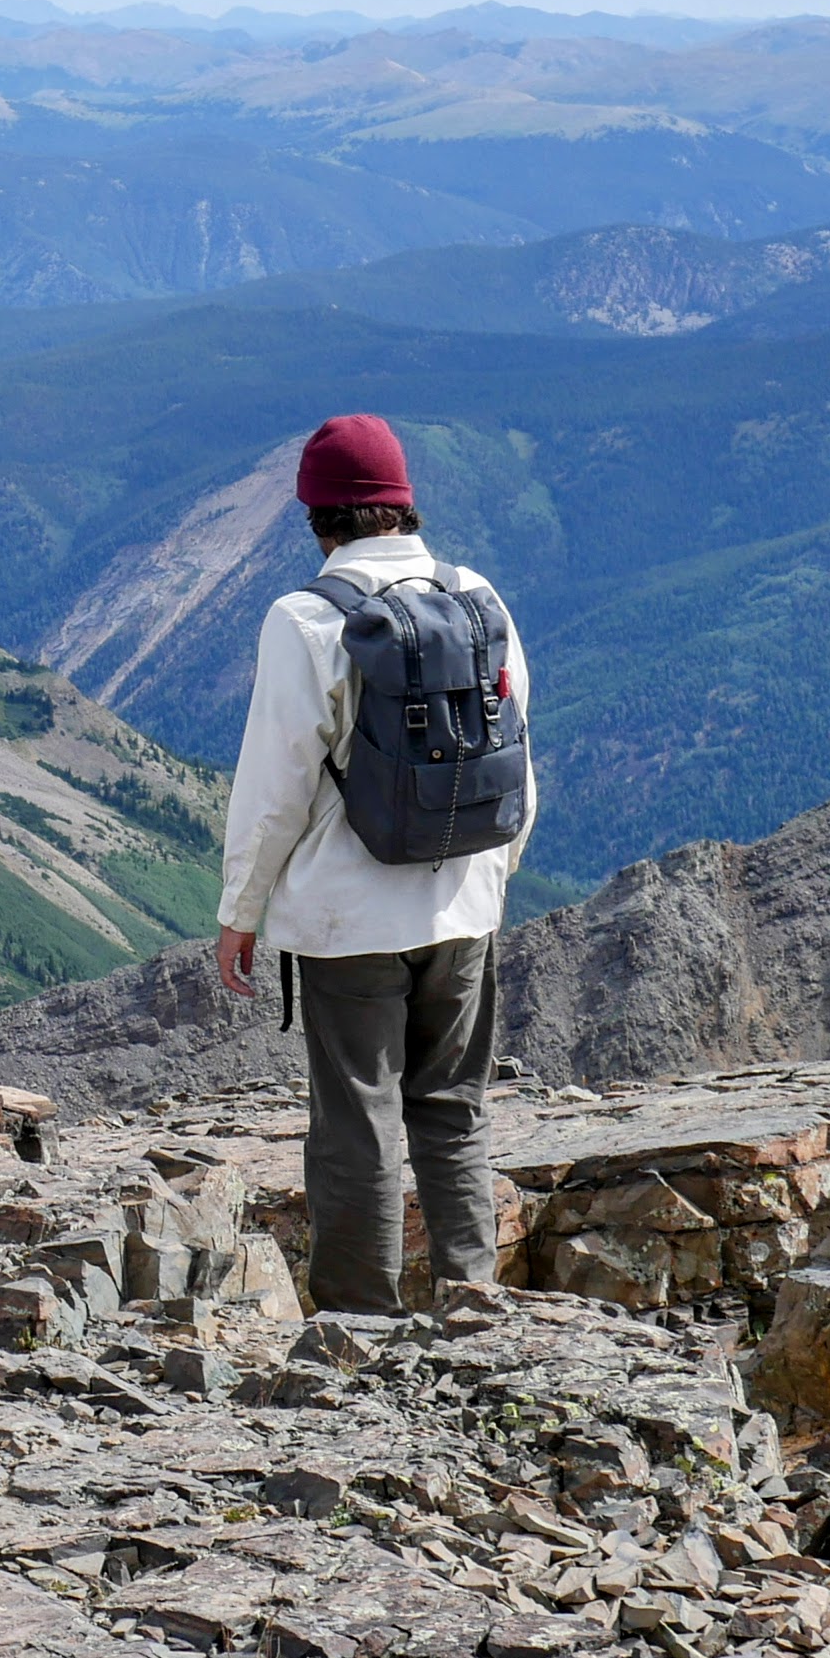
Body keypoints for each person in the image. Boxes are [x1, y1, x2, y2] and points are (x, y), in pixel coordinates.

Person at [211, 413, 535, 1317]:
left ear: (319, 519)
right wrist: (492, 876)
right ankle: (471, 1300)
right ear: (403, 504)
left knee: (358, 1121)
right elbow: (518, 757)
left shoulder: (308, 619)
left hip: (348, 920)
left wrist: (242, 908)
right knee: (454, 1111)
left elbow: (274, 784)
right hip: (463, 905)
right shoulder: (479, 598)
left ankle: (359, 1325)